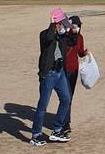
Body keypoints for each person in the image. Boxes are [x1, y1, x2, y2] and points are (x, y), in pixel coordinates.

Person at [30, 8, 73, 146]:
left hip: (60, 73)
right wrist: (52, 24)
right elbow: (49, 38)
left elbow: (72, 42)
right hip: (48, 74)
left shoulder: (62, 37)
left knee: (66, 99)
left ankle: (57, 130)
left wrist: (74, 30)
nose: (64, 27)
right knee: (43, 105)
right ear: (57, 24)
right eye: (62, 24)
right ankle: (36, 135)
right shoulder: (44, 34)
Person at [62, 14, 88, 137]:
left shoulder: (80, 37)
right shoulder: (64, 37)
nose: (76, 28)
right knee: (66, 97)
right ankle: (65, 123)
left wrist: (85, 53)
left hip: (74, 70)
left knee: (69, 96)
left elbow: (80, 53)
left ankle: (66, 121)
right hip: (63, 70)